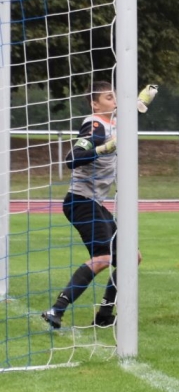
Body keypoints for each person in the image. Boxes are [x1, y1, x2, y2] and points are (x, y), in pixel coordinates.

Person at [42, 81, 136, 329]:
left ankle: (104, 315)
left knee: (131, 257)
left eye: (115, 96)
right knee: (103, 257)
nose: (114, 100)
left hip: (95, 203)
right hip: (81, 201)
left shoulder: (114, 123)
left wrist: (142, 102)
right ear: (95, 104)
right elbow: (72, 159)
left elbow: (130, 112)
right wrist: (103, 148)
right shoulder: (95, 124)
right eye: (108, 97)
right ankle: (56, 309)